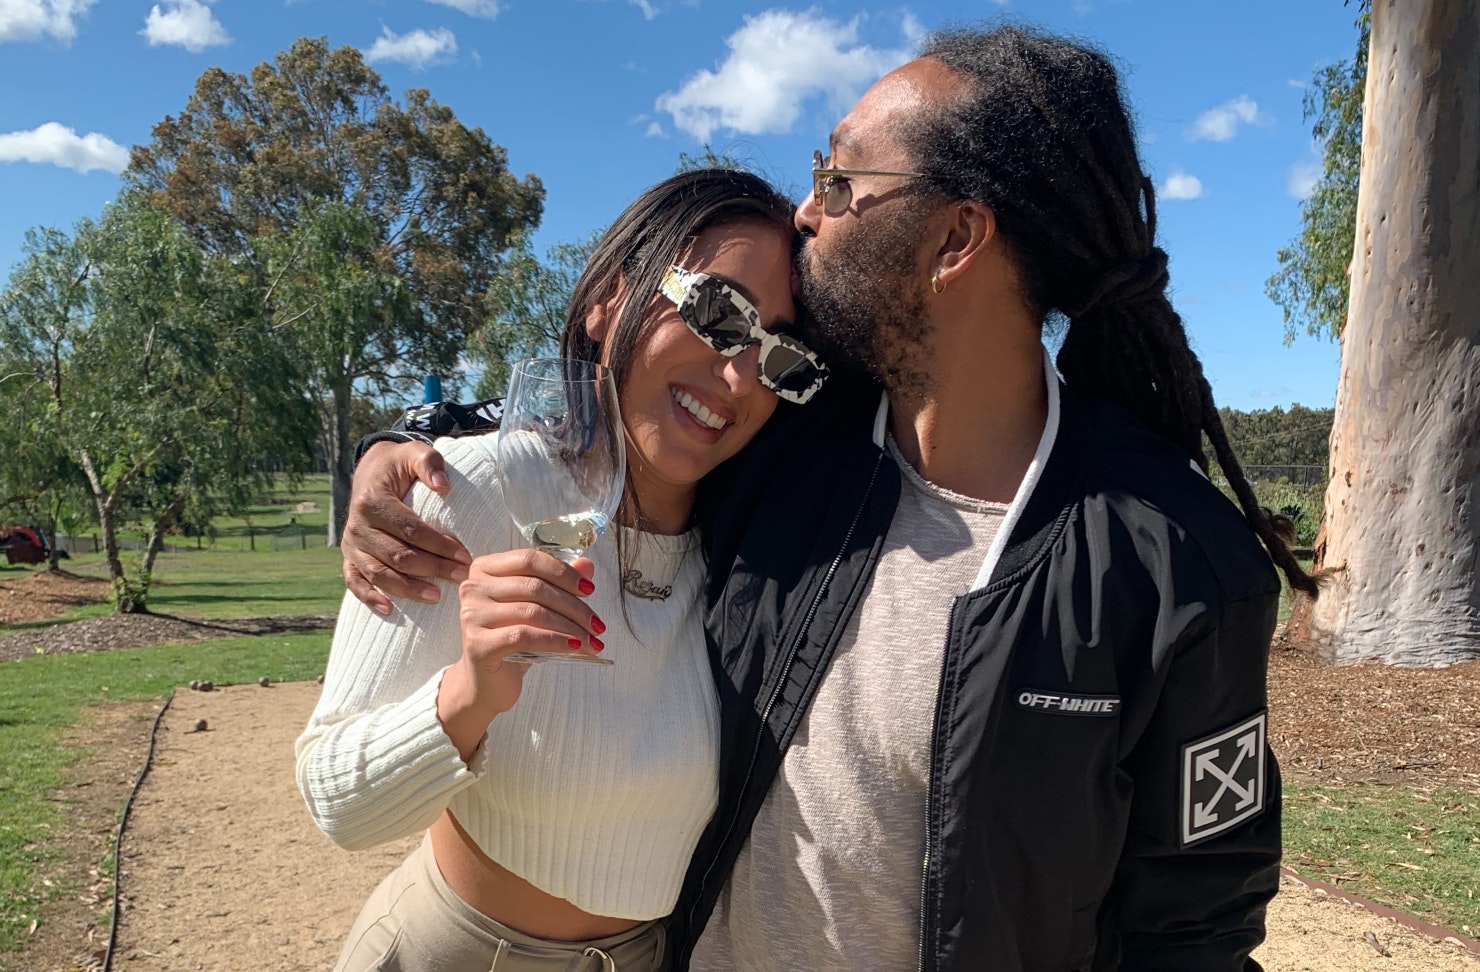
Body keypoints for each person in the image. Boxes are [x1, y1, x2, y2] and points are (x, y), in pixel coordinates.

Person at [341, 24, 1318, 972]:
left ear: (954, 237)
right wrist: (409, 443)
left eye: (840, 181)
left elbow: (1197, 922)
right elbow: (616, 396)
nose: (805, 210)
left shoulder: (1177, 562)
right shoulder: (792, 445)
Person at [296, 168, 829, 972]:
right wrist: (467, 697)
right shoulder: (468, 490)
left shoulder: (753, 552)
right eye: (720, 313)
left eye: (779, 353)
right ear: (607, 302)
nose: (740, 376)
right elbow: (338, 803)